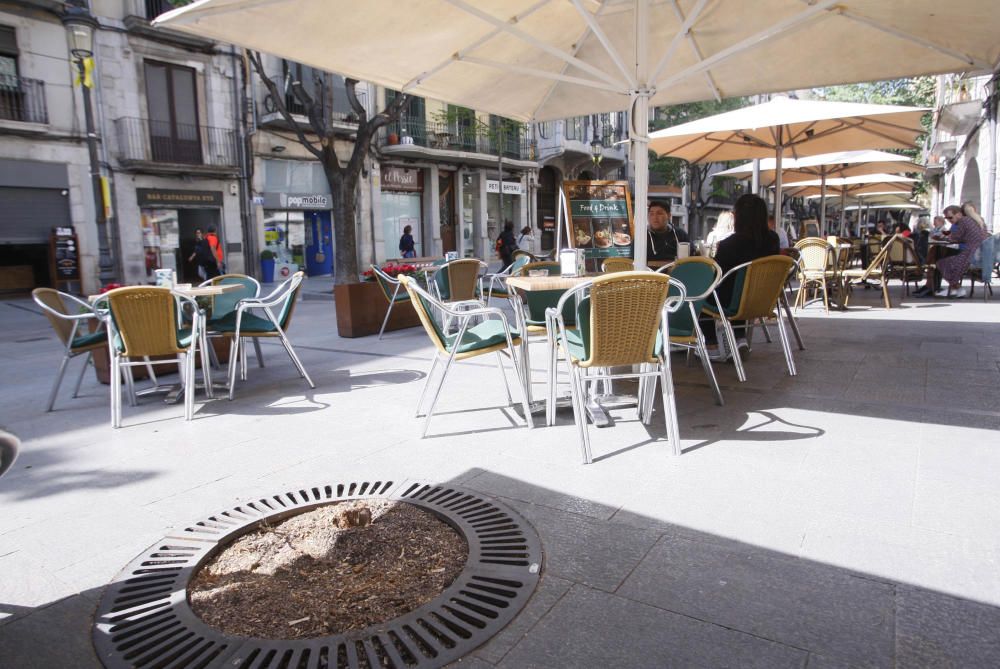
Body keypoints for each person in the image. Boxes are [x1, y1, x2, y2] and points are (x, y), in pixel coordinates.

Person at [699, 194, 780, 361]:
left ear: (738, 217)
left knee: (702, 294)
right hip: (764, 301)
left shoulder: (730, 244)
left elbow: (717, 275)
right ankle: (739, 338)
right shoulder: (773, 239)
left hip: (734, 303)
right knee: (738, 288)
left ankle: (712, 346)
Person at [919, 204, 989, 298]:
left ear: (959, 214)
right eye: (946, 218)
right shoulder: (977, 221)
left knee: (941, 262)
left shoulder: (964, 221)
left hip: (970, 255)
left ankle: (954, 288)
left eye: (950, 217)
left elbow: (955, 237)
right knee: (943, 259)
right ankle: (955, 288)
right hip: (978, 254)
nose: (948, 219)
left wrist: (943, 237)